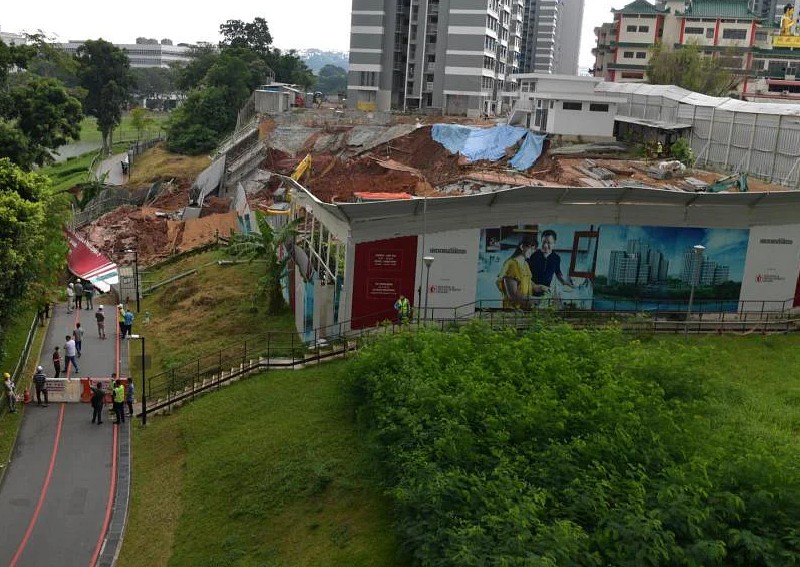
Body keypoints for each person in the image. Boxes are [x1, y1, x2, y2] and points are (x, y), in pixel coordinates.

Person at [497, 237, 549, 309]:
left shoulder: (525, 264)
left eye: (534, 249)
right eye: (531, 248)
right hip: (513, 311)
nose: (533, 251)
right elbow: (513, 295)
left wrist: (540, 287)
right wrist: (537, 300)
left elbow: (530, 284)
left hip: (524, 309)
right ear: (522, 247)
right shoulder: (511, 265)